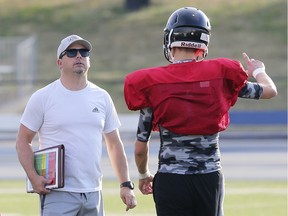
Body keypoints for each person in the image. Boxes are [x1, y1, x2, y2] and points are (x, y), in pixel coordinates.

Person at [124, 7, 277, 216]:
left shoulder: (154, 85)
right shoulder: (220, 77)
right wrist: (259, 71)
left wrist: (143, 174)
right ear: (203, 43)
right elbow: (270, 91)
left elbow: (141, 147)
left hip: (171, 180)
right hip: (208, 177)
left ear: (170, 39)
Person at [16, 34, 137, 216]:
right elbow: (22, 141)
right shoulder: (43, 97)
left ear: (89, 60)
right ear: (59, 63)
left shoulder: (102, 96)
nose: (79, 56)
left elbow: (114, 144)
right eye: (71, 52)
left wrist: (126, 184)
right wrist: (33, 177)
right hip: (57, 194)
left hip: (94, 193)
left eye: (84, 52)